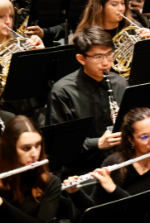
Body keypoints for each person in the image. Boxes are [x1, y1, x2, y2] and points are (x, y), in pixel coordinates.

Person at [46, 27, 127, 178]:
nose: (106, 63)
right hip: (81, 168)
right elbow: (59, 144)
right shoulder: (63, 92)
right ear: (81, 59)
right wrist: (97, 143)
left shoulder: (121, 84)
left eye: (109, 55)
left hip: (120, 161)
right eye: (98, 57)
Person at [75, 0, 150, 40]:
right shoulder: (86, 35)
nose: (121, 8)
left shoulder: (134, 29)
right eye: (114, 4)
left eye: (122, 3)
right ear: (100, 7)